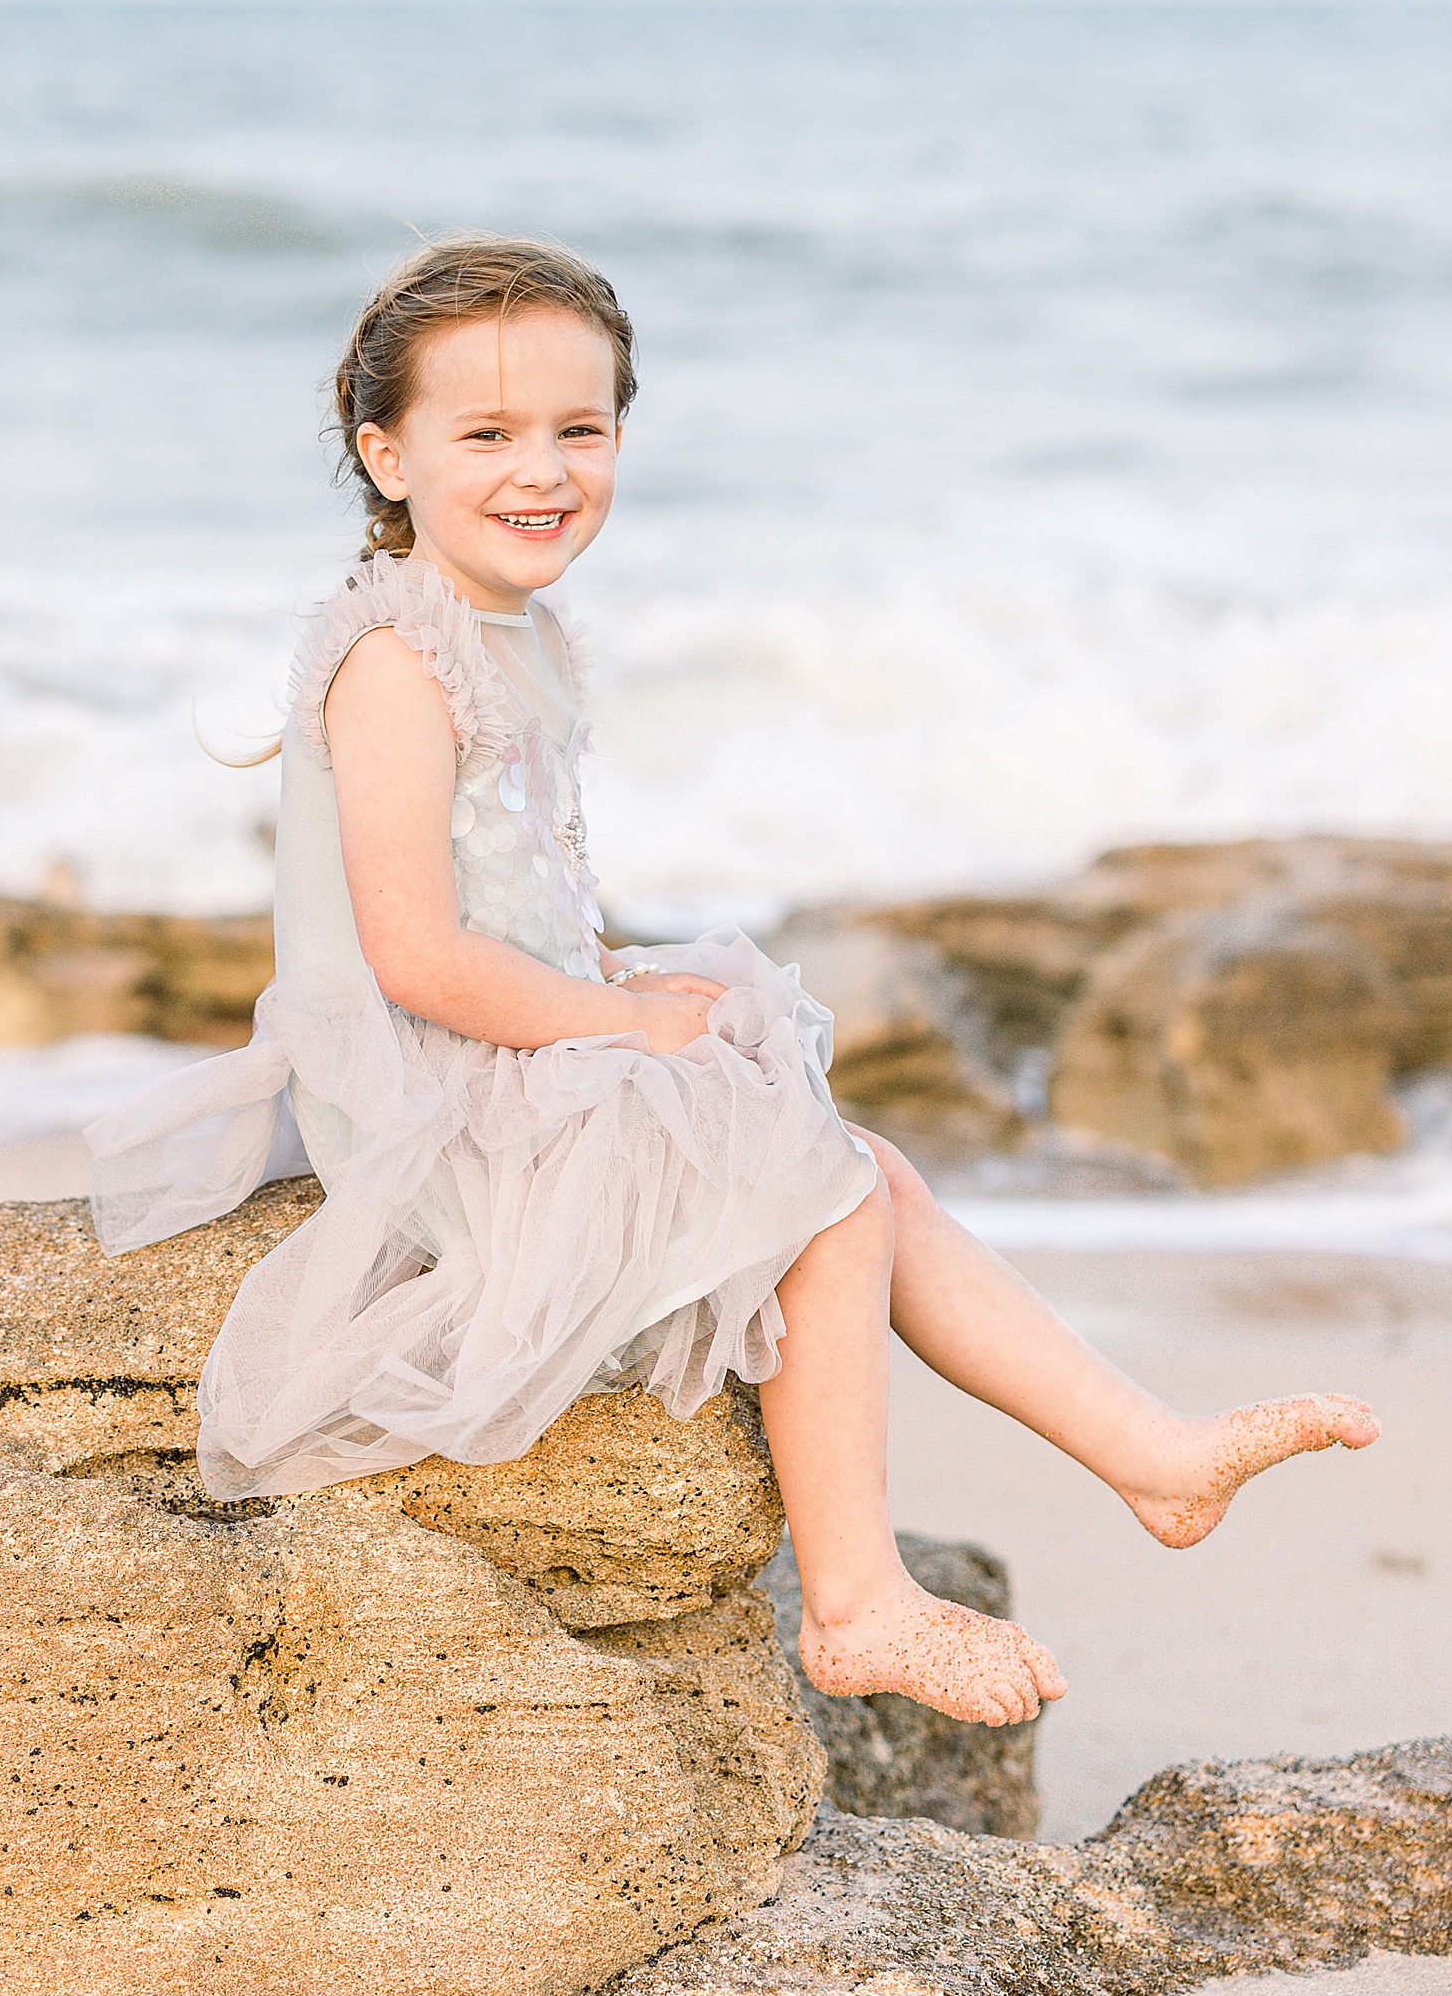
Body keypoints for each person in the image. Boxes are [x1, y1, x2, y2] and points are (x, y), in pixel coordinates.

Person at [88, 235, 1377, 1726]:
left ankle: (1151, 1454)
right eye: (488, 434)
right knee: (821, 1194)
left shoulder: (523, 634)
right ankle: (857, 1600)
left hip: (506, 1037)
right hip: (424, 1098)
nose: (544, 470)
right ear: (387, 456)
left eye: (582, 428)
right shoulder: (394, 657)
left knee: (866, 1168)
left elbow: (518, 891)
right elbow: (416, 952)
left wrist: (609, 976)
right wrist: (622, 1021)